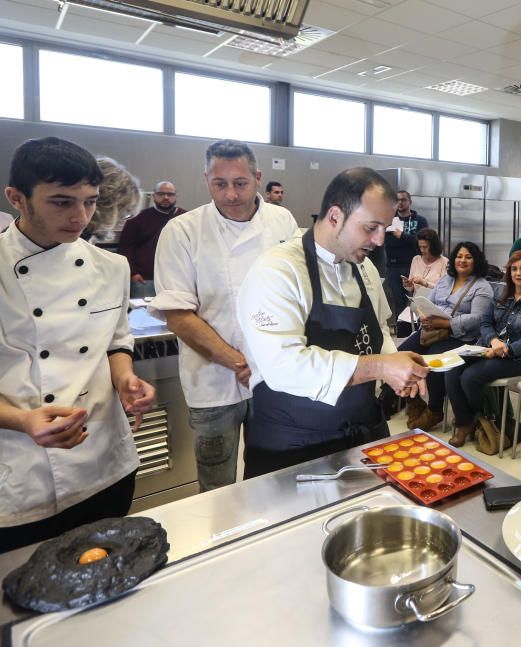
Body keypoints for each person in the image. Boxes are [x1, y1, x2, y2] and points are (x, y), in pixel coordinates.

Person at [0, 138, 156, 552]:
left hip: (104, 464)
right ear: (17, 198)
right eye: (61, 202)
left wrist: (125, 379)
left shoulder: (111, 267)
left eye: (89, 201)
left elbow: (116, 340)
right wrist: (23, 421)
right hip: (20, 476)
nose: (81, 217)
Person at [236, 168, 429, 477]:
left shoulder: (363, 269)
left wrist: (396, 366)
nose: (380, 240)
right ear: (336, 217)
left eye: (384, 228)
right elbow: (284, 365)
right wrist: (380, 366)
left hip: (364, 434)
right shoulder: (278, 271)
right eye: (371, 227)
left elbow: (378, 331)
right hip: (293, 445)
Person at [149, 139, 298, 491]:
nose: (231, 194)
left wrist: (267, 363)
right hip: (213, 383)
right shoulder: (183, 231)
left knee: (275, 475)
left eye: (240, 183)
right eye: (220, 184)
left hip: (274, 378)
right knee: (217, 486)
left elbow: (296, 293)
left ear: (258, 177)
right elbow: (177, 315)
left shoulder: (283, 221)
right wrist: (238, 362)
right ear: (206, 180)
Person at [445, 251, 521, 447]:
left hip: (516, 358)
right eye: (514, 269)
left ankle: (471, 420)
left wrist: (504, 350)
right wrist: (493, 341)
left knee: (470, 377)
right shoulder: (501, 294)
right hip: (486, 348)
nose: (518, 273)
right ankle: (467, 421)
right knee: (452, 372)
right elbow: (485, 323)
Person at [401, 241, 493, 432]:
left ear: (476, 261)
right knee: (401, 354)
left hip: (460, 336)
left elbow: (479, 318)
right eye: (459, 256)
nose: (463, 260)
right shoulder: (445, 280)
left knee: (434, 362)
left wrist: (448, 323)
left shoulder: (482, 287)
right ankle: (413, 400)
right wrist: (423, 315)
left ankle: (434, 410)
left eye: (468, 257)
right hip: (431, 331)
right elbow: (427, 301)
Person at [117, 180, 185, 291]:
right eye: (161, 194)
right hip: (144, 279)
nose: (166, 197)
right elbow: (126, 248)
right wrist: (132, 272)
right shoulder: (137, 218)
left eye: (170, 194)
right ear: (154, 196)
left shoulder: (185, 218)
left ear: (175, 196)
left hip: (176, 279)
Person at [384, 190, 429, 318]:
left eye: (403, 200)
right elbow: (386, 242)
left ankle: (418, 329)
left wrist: (402, 236)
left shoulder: (420, 221)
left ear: (410, 202)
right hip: (393, 267)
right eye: (397, 200)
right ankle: (402, 330)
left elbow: (422, 242)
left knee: (418, 300)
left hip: (414, 266)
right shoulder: (389, 221)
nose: (400, 203)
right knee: (399, 301)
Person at [398, 228, 448, 336]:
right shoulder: (416, 260)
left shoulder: (444, 263)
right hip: (418, 306)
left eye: (425, 247)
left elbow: (445, 291)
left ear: (433, 246)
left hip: (437, 307)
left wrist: (425, 283)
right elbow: (411, 288)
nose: (422, 250)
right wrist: (408, 285)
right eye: (420, 247)